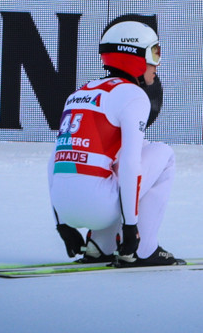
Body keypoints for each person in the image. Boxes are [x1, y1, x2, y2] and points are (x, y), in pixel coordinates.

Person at [49, 16, 181, 267]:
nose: (157, 63)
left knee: (128, 152)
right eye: (154, 53)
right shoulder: (134, 95)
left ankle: (101, 245)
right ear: (135, 55)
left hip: (66, 208)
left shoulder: (79, 92)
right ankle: (144, 250)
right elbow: (131, 165)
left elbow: (56, 159)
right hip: (100, 207)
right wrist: (131, 228)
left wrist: (61, 223)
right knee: (164, 153)